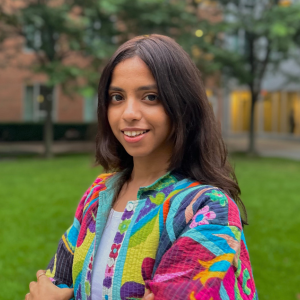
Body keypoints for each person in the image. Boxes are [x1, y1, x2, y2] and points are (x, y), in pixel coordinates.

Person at [26, 34, 257, 300]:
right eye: (117, 97)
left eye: (150, 96)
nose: (129, 113)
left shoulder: (206, 207)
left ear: (182, 105)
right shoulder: (100, 193)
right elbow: (52, 282)